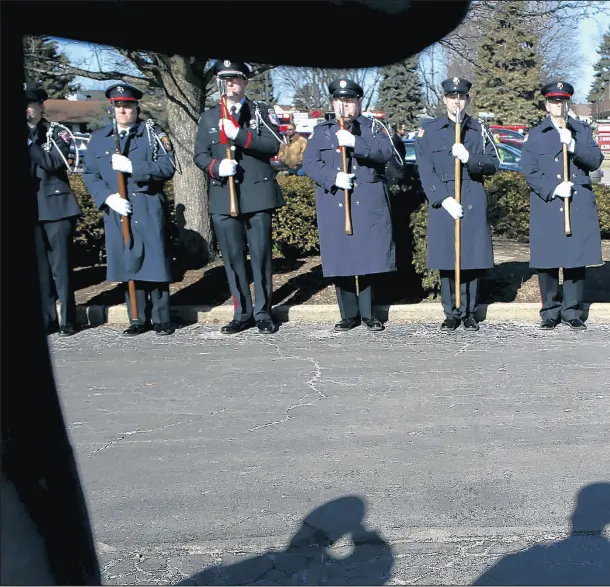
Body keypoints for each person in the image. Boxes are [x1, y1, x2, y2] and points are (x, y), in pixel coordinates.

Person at [194, 59, 285, 335]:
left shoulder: (261, 111)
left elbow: (273, 145)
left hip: (257, 194)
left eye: (235, 78)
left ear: (245, 81)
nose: (230, 83)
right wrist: (216, 167)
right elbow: (200, 155)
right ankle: (241, 312)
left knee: (260, 257)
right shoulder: (209, 117)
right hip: (224, 196)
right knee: (233, 259)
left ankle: (263, 312)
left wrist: (241, 136)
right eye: (225, 79)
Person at [82, 82, 177, 336]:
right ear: (112, 108)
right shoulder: (99, 138)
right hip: (117, 208)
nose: (123, 110)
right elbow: (90, 174)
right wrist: (107, 198)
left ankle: (161, 318)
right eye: (118, 105)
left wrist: (134, 167)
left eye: (128, 105)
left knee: (155, 262)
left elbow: (167, 167)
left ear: (137, 107)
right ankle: (137, 318)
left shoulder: (152, 133)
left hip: (147, 205)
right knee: (128, 263)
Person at [302, 78, 396, 332]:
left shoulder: (374, 128)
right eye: (340, 101)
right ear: (333, 103)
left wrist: (356, 144)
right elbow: (309, 163)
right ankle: (348, 315)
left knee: (367, 259)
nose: (345, 106)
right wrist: (333, 178)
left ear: (359, 103)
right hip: (335, 202)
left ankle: (369, 314)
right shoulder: (322, 131)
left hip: (366, 203)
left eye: (350, 101)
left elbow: (385, 154)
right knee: (341, 259)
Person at [415, 77, 500, 332]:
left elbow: (494, 163)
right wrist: (442, 199)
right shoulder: (430, 131)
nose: (457, 102)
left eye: (462, 97)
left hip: (471, 195)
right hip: (445, 199)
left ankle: (470, 312)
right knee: (447, 259)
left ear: (468, 100)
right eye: (452, 97)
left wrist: (470, 158)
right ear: (445, 100)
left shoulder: (478, 130)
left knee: (471, 259)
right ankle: (451, 312)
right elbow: (425, 169)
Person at [520, 81, 604, 330]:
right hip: (548, 204)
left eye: (563, 101)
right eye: (554, 101)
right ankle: (549, 311)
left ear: (568, 103)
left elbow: (595, 161)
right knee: (547, 261)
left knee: (575, 260)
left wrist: (574, 145)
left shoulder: (582, 131)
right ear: (547, 105)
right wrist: (553, 188)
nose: (558, 105)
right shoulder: (537, 135)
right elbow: (529, 170)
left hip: (576, 204)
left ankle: (572, 311)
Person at [26, 82, 82, 337]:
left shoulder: (56, 133)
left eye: (29, 104)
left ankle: (68, 319)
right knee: (39, 270)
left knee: (61, 267)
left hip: (56, 207)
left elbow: (52, 162)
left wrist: (29, 142)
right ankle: (47, 319)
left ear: (40, 106)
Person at [386, 121, 408, 194]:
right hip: (396, 171)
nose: (405, 131)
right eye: (403, 129)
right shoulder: (395, 141)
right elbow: (396, 157)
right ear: (398, 130)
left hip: (399, 170)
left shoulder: (398, 141)